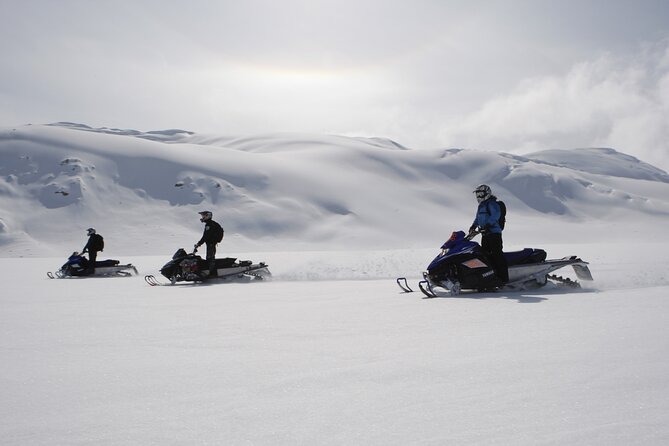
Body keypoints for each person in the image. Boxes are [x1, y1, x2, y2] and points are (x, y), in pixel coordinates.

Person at [469, 184, 509, 284]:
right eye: (477, 195)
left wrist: (488, 225)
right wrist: (473, 226)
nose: (479, 197)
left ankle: (504, 279)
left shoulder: (492, 203)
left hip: (494, 233)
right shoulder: (481, 206)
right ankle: (490, 277)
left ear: (487, 193)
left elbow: (495, 215)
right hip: (485, 234)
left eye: (481, 194)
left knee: (497, 254)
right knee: (485, 256)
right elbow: (478, 218)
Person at [194, 211, 224, 277]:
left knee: (210, 258)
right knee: (210, 258)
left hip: (211, 244)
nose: (202, 217)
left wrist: (199, 243)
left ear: (207, 216)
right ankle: (210, 272)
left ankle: (212, 274)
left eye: (203, 216)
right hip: (211, 243)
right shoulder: (211, 223)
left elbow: (205, 236)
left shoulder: (209, 225)